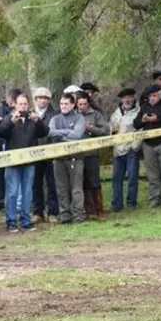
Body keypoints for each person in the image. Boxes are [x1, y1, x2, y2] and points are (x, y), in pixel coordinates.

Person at [0, 94, 49, 232]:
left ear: (29, 105)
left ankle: (26, 220)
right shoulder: (10, 118)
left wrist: (38, 121)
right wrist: (11, 122)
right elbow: (1, 132)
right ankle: (11, 221)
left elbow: (44, 133)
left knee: (27, 192)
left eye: (25, 104)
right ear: (15, 105)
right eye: (20, 104)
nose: (23, 106)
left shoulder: (33, 119)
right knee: (12, 193)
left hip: (29, 161)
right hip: (12, 162)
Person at [46, 93, 87, 224]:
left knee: (76, 189)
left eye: (66, 104)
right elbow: (50, 132)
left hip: (75, 157)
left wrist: (61, 135)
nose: (63, 106)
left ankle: (78, 215)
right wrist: (67, 133)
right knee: (61, 188)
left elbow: (77, 135)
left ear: (73, 104)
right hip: (58, 158)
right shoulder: (54, 119)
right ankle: (64, 215)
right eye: (61, 104)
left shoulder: (79, 118)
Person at [75, 91, 109, 221]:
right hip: (77, 155)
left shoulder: (96, 115)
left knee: (94, 182)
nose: (82, 106)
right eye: (80, 104)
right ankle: (87, 210)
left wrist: (90, 128)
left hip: (91, 154)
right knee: (81, 183)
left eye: (84, 104)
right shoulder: (73, 115)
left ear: (88, 103)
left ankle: (99, 209)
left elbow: (105, 131)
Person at [134, 83, 161, 207]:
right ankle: (154, 199)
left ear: (160, 95)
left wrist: (157, 119)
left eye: (154, 95)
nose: (152, 98)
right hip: (148, 144)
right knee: (152, 175)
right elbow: (136, 124)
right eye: (150, 96)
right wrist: (143, 120)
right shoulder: (144, 107)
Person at [109, 88, 141, 212]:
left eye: (129, 97)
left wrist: (135, 146)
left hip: (131, 149)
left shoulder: (138, 111)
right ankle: (117, 204)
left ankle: (131, 203)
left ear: (133, 98)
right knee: (116, 178)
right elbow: (112, 129)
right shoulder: (116, 113)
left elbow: (141, 130)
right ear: (121, 99)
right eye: (125, 98)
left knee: (132, 177)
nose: (127, 100)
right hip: (118, 149)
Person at [31, 87, 58, 223]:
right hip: (33, 153)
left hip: (50, 152)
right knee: (36, 184)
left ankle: (53, 212)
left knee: (52, 183)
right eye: (40, 98)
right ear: (35, 99)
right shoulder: (29, 114)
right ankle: (38, 212)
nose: (43, 100)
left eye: (45, 98)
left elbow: (54, 134)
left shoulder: (54, 115)